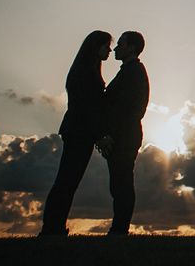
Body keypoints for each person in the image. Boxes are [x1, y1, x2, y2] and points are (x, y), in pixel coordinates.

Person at [39, 30, 112, 236]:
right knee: (67, 181)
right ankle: (52, 227)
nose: (109, 49)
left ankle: (54, 226)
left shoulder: (87, 69)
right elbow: (86, 108)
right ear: (95, 46)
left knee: (68, 181)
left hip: (79, 131)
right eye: (106, 45)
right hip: (80, 131)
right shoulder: (85, 72)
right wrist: (99, 135)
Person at [98, 30, 149, 235]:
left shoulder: (134, 71)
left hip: (124, 137)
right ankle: (119, 228)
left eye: (120, 44)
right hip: (122, 136)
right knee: (119, 184)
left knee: (122, 184)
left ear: (131, 47)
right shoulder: (128, 71)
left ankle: (119, 229)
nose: (116, 48)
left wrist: (111, 134)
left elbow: (128, 110)